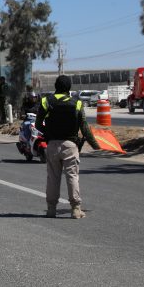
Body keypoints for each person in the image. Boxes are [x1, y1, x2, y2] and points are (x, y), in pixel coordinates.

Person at [36, 75, 101, 219]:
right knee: (72, 176)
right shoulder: (77, 103)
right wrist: (95, 144)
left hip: (52, 145)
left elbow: (38, 124)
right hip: (71, 146)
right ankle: (76, 210)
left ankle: (51, 210)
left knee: (53, 177)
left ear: (55, 86)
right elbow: (84, 127)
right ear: (69, 88)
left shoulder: (46, 101)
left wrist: (48, 134)